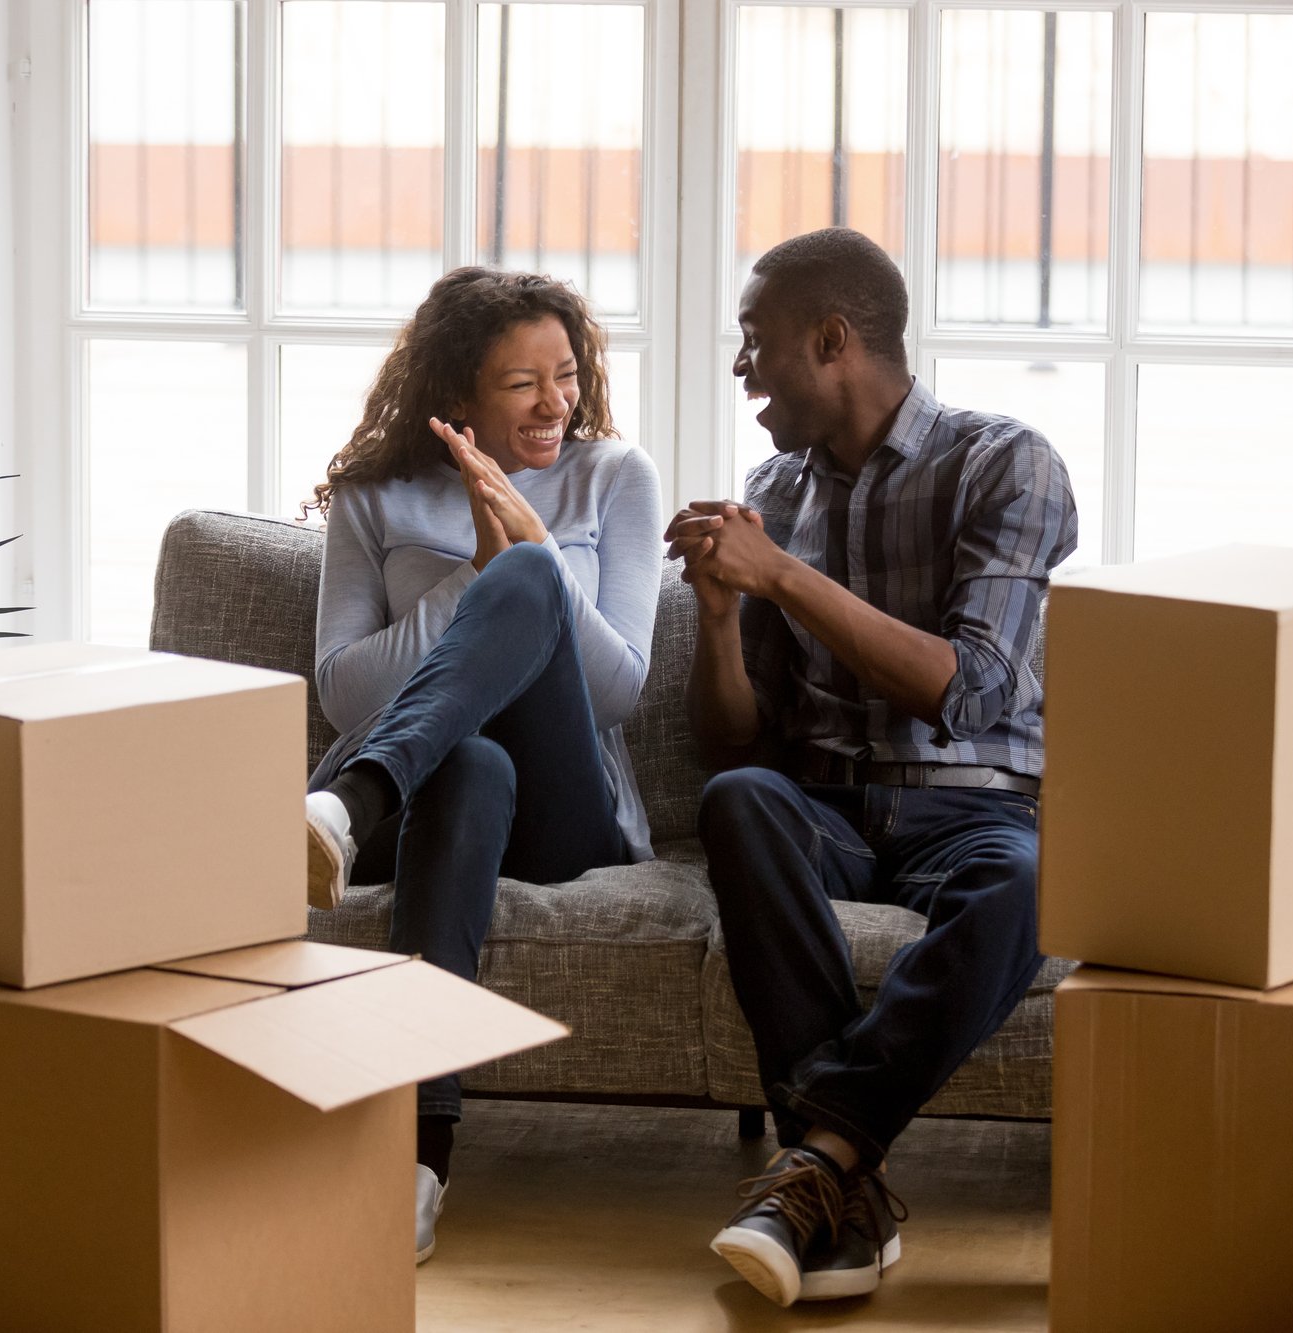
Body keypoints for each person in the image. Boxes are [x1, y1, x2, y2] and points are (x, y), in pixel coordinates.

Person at [665, 228, 1077, 1307]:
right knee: (740, 800)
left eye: (756, 344)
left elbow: (971, 687)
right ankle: (836, 1172)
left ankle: (816, 1159)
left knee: (1028, 887)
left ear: (832, 340)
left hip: (973, 807)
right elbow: (735, 738)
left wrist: (783, 578)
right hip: (830, 810)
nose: (742, 369)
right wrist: (718, 617)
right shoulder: (776, 487)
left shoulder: (1005, 462)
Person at [301, 267, 661, 1265]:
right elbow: (341, 690)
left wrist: (527, 556)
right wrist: (470, 576)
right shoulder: (376, 497)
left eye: (566, 375)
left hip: (567, 810)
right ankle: (421, 1161)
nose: (556, 404)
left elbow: (622, 689)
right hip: (438, 797)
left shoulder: (614, 478)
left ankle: (348, 800)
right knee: (469, 767)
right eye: (521, 384)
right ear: (458, 394)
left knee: (534, 573)